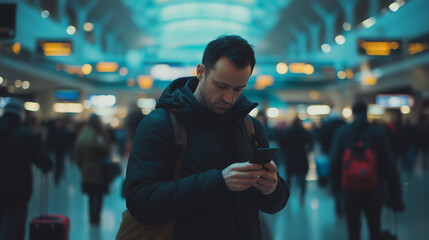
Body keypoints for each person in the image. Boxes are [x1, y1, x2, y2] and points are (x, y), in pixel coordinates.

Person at [124, 35, 289, 239]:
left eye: (238, 89)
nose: (229, 98)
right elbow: (141, 202)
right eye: (221, 86)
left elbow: (274, 204)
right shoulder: (160, 125)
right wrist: (218, 182)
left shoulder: (250, 127)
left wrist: (272, 189)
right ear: (201, 72)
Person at [330, 101, 405, 240]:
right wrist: (395, 195)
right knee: (374, 229)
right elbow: (389, 164)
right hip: (374, 191)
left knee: (353, 231)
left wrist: (336, 192)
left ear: (352, 113)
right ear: (366, 112)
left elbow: (334, 161)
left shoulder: (342, 133)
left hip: (349, 191)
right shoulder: (378, 132)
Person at [0, 98, 53, 240]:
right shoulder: (25, 134)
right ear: (20, 114)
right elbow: (44, 163)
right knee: (14, 230)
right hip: (17, 191)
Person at [75, 114, 110, 225]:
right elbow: (106, 151)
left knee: (90, 195)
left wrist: (82, 167)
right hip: (99, 170)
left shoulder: (82, 134)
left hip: (87, 170)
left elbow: (77, 155)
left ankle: (91, 215)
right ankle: (97, 216)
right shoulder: (99, 134)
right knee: (99, 194)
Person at [277, 117, 313, 206]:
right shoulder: (304, 131)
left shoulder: (288, 131)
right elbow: (311, 144)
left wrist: (286, 153)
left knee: (288, 179)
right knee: (302, 179)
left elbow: (281, 143)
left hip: (290, 158)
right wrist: (307, 151)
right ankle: (302, 198)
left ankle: (287, 197)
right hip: (301, 157)